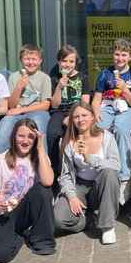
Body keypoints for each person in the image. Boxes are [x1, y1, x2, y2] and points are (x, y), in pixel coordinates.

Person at [0, 118, 56, 263]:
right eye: (21, 136)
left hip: (23, 211)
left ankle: (43, 241)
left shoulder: (40, 158)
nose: (25, 141)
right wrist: (1, 203)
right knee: (1, 255)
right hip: (1, 214)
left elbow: (48, 181)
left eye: (31, 137)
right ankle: (20, 235)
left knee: (43, 190)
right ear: (14, 137)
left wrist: (41, 149)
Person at [54, 102, 120, 245]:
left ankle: (107, 226)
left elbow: (115, 165)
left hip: (101, 186)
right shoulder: (66, 142)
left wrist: (89, 157)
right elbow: (65, 174)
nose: (80, 119)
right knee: (58, 219)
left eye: (84, 115)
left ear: (92, 118)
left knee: (109, 173)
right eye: (76, 116)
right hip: (80, 186)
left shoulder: (106, 137)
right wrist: (71, 196)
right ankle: (89, 220)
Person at [92, 38, 131, 206]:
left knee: (121, 129)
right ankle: (99, 171)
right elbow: (97, 98)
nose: (120, 58)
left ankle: (124, 179)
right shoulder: (105, 74)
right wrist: (96, 114)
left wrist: (125, 89)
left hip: (126, 108)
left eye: (124, 55)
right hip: (106, 106)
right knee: (99, 129)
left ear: (130, 57)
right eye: (117, 54)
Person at [0, 44, 51, 153]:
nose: (30, 62)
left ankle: (42, 158)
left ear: (40, 61)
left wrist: (22, 109)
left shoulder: (44, 78)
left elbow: (45, 105)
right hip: (15, 113)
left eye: (34, 59)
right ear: (21, 60)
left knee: (39, 130)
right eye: (27, 59)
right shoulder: (14, 77)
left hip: (37, 112)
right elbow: (11, 105)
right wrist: (19, 87)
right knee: (2, 131)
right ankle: (4, 160)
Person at [47, 45, 91, 175]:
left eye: (71, 61)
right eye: (64, 61)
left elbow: (85, 103)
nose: (67, 64)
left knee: (73, 133)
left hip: (77, 111)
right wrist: (59, 87)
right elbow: (54, 105)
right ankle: (55, 169)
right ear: (59, 62)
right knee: (53, 133)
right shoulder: (54, 78)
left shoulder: (83, 78)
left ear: (76, 62)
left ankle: (77, 167)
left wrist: (72, 116)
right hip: (59, 111)